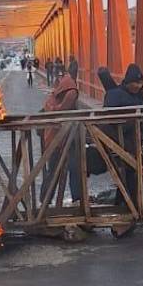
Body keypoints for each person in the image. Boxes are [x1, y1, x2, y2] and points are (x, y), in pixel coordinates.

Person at [102, 64, 143, 237]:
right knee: (126, 176)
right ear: (128, 81)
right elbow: (110, 118)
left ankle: (127, 210)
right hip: (118, 144)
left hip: (133, 144)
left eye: (140, 83)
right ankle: (127, 211)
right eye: (136, 83)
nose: (138, 86)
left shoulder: (138, 96)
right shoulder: (115, 95)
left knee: (130, 176)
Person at [41, 74, 82, 206]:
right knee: (71, 168)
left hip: (59, 139)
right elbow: (65, 107)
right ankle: (76, 198)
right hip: (60, 139)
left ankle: (45, 201)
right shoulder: (70, 93)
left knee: (55, 171)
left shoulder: (52, 98)